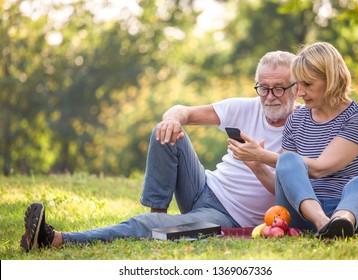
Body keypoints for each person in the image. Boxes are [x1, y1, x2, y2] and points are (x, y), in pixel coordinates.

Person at [20, 50, 298, 252]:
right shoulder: (245, 106)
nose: (269, 97)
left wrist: (256, 163)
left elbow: (288, 195)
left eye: (279, 89)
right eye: (264, 88)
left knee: (145, 224)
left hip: (229, 217)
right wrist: (171, 119)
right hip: (203, 187)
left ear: (295, 89)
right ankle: (159, 215)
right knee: (165, 132)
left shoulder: (304, 127)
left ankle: (56, 239)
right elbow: (183, 111)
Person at [229, 42, 358, 238]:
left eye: (307, 84)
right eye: (298, 84)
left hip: (354, 211)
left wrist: (262, 155)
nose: (299, 92)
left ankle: (341, 222)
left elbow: (321, 168)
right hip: (305, 213)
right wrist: (258, 165)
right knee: (288, 161)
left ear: (332, 80)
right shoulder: (296, 119)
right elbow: (285, 182)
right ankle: (324, 223)